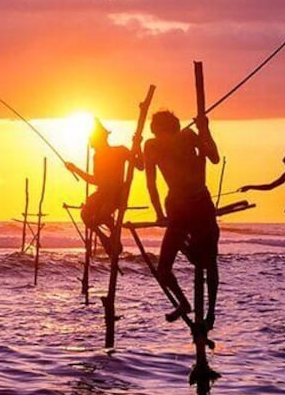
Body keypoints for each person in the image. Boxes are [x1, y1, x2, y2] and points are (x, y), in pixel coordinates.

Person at [144, 110, 220, 329]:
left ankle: (211, 315)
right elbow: (151, 183)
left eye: (168, 134)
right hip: (176, 208)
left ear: (174, 130)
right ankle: (184, 303)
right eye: (160, 134)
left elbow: (214, 157)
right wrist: (159, 213)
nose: (165, 139)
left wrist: (205, 130)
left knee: (210, 261)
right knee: (163, 269)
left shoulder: (188, 137)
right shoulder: (152, 146)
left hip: (201, 204)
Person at [66, 120, 140, 255]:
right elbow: (96, 180)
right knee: (85, 215)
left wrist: (137, 146)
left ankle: (110, 227)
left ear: (100, 139)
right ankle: (104, 236)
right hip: (102, 194)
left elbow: (140, 166)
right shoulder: (98, 156)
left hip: (116, 195)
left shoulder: (120, 151)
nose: (92, 145)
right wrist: (75, 169)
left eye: (93, 141)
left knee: (100, 216)